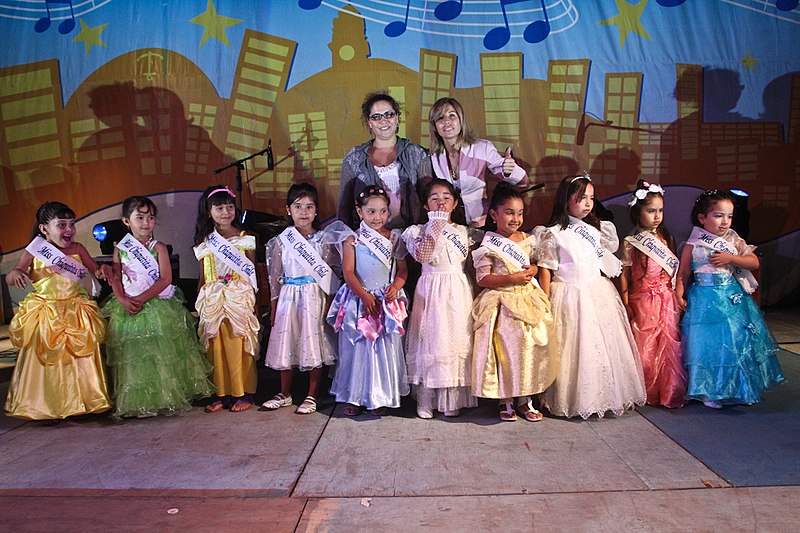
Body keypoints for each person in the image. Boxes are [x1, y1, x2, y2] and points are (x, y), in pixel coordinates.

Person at [535, 174, 646, 419]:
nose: (588, 203)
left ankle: (603, 396)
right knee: (572, 348)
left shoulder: (596, 230)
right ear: (566, 200)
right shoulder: (552, 233)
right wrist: (543, 301)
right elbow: (546, 270)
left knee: (599, 346)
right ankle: (574, 398)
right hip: (568, 294)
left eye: (591, 198)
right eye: (581, 197)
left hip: (596, 292)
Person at [102, 196, 214, 419]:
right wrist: (123, 300)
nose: (146, 223)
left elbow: (165, 279)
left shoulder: (159, 248)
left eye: (150, 218)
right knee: (136, 355)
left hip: (157, 305)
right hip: (128, 306)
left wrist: (141, 299)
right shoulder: (121, 249)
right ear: (126, 221)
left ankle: (165, 397)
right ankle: (139, 400)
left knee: (162, 354)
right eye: (140, 217)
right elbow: (116, 278)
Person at [4, 201, 112, 421]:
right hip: (47, 313)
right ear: (44, 229)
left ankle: (84, 404)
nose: (69, 230)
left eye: (71, 224)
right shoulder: (35, 250)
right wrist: (14, 274)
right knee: (49, 361)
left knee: (79, 359)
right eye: (61, 224)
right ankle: (46, 406)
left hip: (76, 310)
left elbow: (94, 270)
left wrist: (102, 271)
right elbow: (13, 273)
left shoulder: (78, 249)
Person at [676, 189, 783, 408]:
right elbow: (684, 272)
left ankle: (740, 387)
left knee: (735, 344)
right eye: (718, 216)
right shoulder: (693, 243)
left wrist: (731, 257)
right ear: (702, 218)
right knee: (706, 346)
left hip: (731, 298)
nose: (725, 222)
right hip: (704, 301)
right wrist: (679, 292)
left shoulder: (733, 239)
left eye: (729, 216)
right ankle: (710, 390)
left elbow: (754, 262)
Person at [262, 183, 351, 415]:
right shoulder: (281, 241)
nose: (304, 211)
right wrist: (272, 307)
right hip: (288, 298)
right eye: (298, 206)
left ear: (316, 210)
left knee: (314, 345)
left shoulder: (325, 239)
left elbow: (333, 274)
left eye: (309, 206)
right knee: (286, 343)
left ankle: (312, 395)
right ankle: (284, 393)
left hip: (314, 297)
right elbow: (275, 277)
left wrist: (330, 303)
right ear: (288, 209)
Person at [471, 183, 553, 422]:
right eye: (509, 212)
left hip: (526, 299)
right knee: (504, 351)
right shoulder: (487, 244)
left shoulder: (528, 238)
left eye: (519, 213)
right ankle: (505, 399)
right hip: (501, 303)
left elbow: (536, 264)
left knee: (528, 350)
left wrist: (533, 268)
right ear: (494, 214)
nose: (515, 218)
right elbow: (483, 278)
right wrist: (511, 278)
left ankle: (525, 400)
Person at [327, 185, 410, 416]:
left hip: (385, 300)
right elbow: (348, 272)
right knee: (358, 349)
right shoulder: (352, 239)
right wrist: (363, 295)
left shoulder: (395, 237)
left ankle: (380, 396)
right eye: (371, 212)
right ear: (359, 211)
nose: (378, 217)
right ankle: (354, 396)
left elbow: (403, 270)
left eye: (383, 211)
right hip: (359, 299)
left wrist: (396, 287)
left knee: (383, 349)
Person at [401, 179, 479, 419]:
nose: (441, 201)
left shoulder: (465, 232)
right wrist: (435, 226)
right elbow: (423, 256)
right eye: (434, 197)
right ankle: (425, 399)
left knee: (454, 341)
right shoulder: (417, 230)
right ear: (426, 205)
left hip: (456, 290)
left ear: (455, 203)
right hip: (431, 290)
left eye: (446, 196)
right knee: (431, 341)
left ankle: (450, 399)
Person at [618, 181, 687, 409]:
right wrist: (626, 301)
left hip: (665, 299)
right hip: (644, 299)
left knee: (668, 346)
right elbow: (625, 274)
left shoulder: (667, 238)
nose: (657, 216)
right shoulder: (631, 241)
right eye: (651, 211)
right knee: (645, 345)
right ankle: (645, 389)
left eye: (660, 211)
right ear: (638, 211)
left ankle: (668, 390)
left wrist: (677, 294)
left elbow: (675, 271)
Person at [193, 186, 260, 413]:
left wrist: (256, 302)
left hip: (238, 297)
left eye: (230, 206)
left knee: (238, 342)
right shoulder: (205, 242)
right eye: (219, 208)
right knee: (215, 345)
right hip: (212, 298)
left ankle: (243, 393)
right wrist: (199, 300)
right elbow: (202, 276)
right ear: (208, 211)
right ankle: (220, 393)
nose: (226, 212)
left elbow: (253, 272)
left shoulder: (245, 239)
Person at [428, 97, 529, 228]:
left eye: (452, 115)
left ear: (461, 120)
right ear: (435, 126)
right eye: (440, 118)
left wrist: (510, 171)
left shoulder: (482, 148)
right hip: (448, 224)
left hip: (480, 222)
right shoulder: (434, 156)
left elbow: (523, 182)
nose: (446, 121)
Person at [338, 91, 430, 230]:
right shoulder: (354, 158)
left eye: (389, 114)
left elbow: (430, 199)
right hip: (369, 241)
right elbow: (344, 208)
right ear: (369, 122)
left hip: (413, 238)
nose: (383, 120)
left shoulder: (416, 153)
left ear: (397, 118)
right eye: (376, 117)